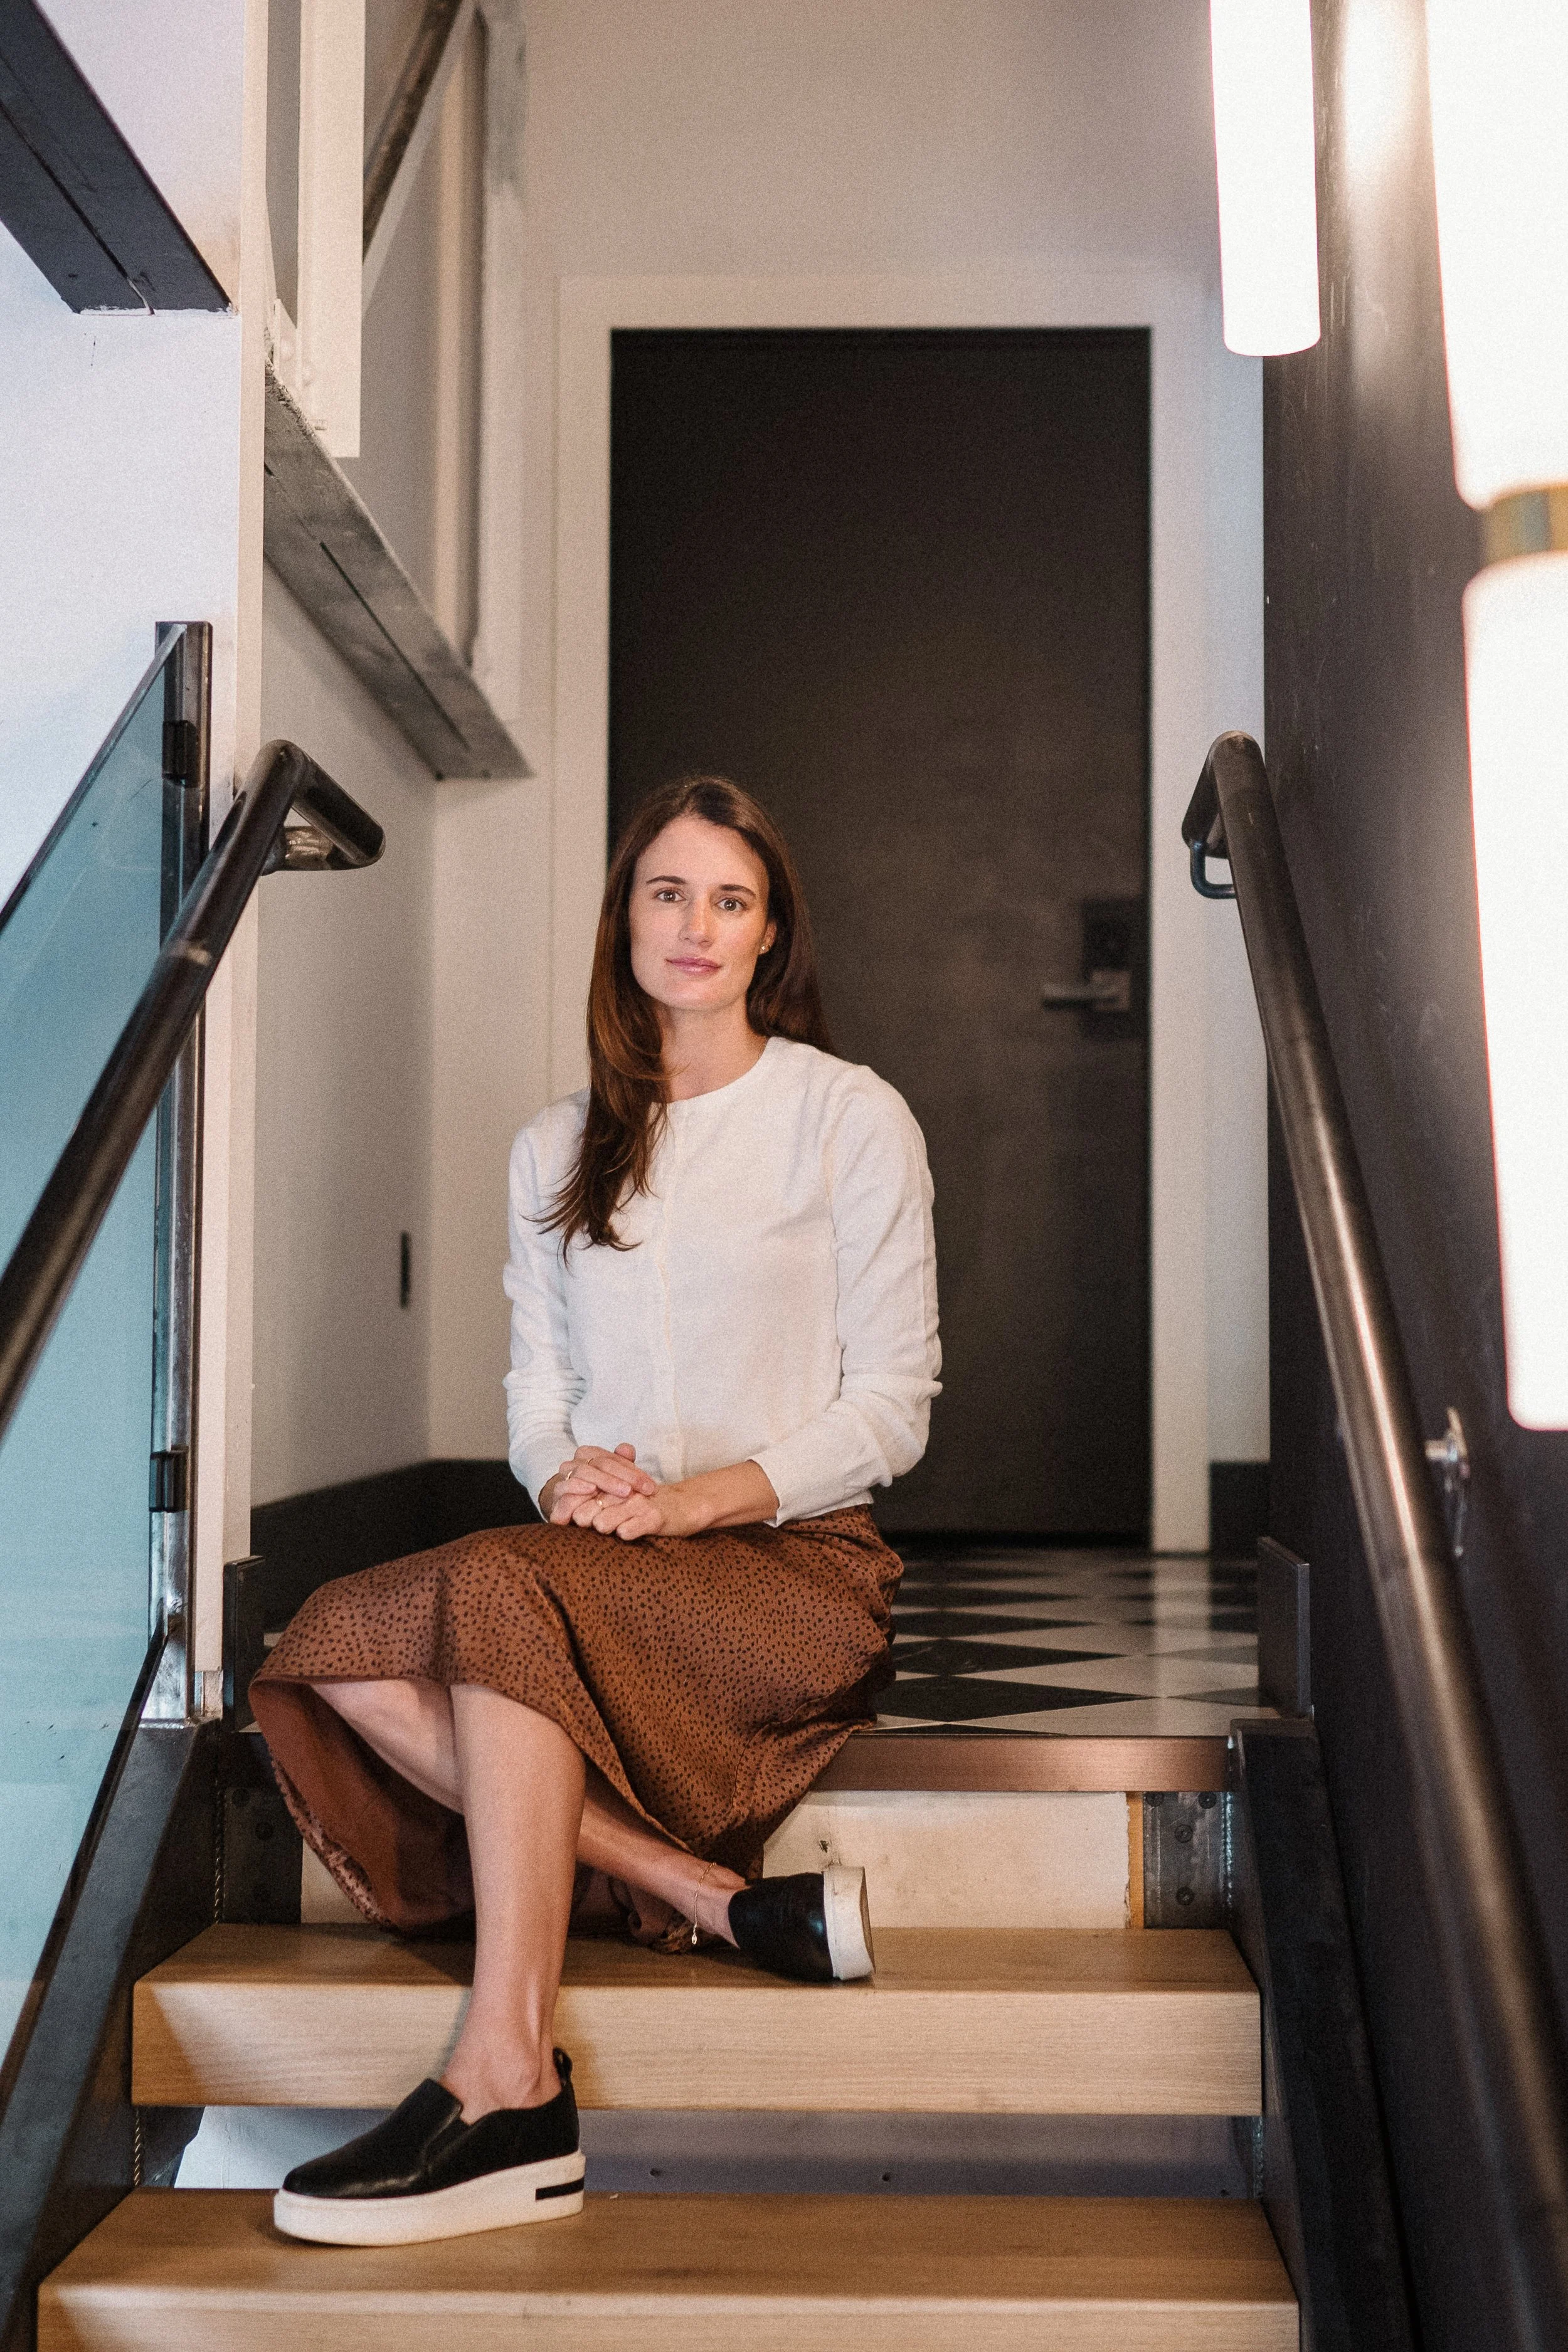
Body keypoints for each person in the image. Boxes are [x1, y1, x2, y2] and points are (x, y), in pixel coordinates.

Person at [251, 774, 940, 2247]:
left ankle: (504, 2077)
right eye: (666, 893)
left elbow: (893, 1403)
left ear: (770, 937)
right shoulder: (552, 1146)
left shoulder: (846, 1115)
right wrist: (567, 1474)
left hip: (791, 1569)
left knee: (500, 1599)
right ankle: (705, 1896)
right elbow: (536, 1385)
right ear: (624, 919)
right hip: (600, 1554)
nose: (695, 926)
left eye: (730, 900)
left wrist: (692, 1502)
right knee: (332, 1636)